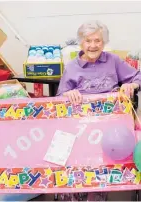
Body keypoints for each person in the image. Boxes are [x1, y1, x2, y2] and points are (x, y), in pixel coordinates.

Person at [56, 20, 141, 201]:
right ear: (81, 42)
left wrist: (131, 84)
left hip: (110, 128)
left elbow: (137, 76)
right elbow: (59, 99)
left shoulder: (114, 61)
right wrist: (68, 94)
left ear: (104, 43)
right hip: (80, 127)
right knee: (80, 166)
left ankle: (99, 195)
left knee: (102, 168)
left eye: (98, 41)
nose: (93, 45)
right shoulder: (71, 67)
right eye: (88, 41)